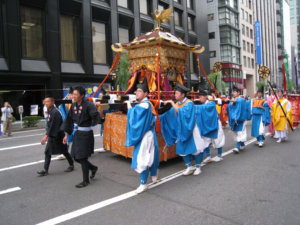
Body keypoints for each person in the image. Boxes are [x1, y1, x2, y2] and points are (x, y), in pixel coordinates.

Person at [160, 83, 205, 176]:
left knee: (196, 149)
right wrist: (162, 117)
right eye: (175, 93)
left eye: (177, 93)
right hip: (181, 130)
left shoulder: (189, 103)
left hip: (190, 129)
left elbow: (182, 113)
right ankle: (189, 166)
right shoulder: (178, 103)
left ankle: (198, 167)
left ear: (183, 95)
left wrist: (171, 103)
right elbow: (172, 113)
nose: (175, 95)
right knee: (181, 149)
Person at [124, 83, 160, 194]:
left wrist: (129, 107)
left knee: (142, 158)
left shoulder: (144, 105)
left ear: (146, 93)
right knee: (149, 156)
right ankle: (153, 174)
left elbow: (135, 116)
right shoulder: (146, 104)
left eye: (139, 91)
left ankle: (143, 184)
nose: (137, 93)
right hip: (148, 134)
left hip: (145, 136)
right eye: (136, 91)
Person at [62, 86, 100, 188]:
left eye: (75, 94)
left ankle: (85, 180)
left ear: (82, 96)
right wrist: (66, 135)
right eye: (73, 94)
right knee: (75, 157)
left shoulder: (88, 105)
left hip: (86, 135)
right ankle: (93, 168)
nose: (73, 96)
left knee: (82, 158)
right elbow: (68, 120)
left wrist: (98, 110)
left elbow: (96, 116)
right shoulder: (73, 105)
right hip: (78, 134)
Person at [37, 97, 74, 176]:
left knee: (64, 151)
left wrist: (46, 136)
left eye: (48, 102)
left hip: (58, 135)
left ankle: (71, 164)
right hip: (53, 135)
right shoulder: (51, 111)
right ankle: (45, 169)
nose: (46, 103)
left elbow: (53, 126)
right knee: (47, 152)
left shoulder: (55, 112)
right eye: (45, 102)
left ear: (52, 102)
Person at [197, 90, 225, 163]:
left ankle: (219, 155)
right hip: (206, 125)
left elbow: (204, 108)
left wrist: (194, 106)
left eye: (201, 97)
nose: (200, 99)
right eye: (199, 97)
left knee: (218, 139)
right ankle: (208, 156)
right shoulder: (203, 105)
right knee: (205, 141)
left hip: (214, 124)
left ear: (206, 97)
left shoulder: (211, 103)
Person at [227, 86, 247, 153]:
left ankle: (237, 147)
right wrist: (231, 103)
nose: (233, 93)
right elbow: (229, 107)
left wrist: (231, 101)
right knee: (235, 132)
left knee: (239, 133)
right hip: (234, 119)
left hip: (240, 119)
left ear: (238, 93)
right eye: (233, 92)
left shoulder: (241, 99)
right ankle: (242, 144)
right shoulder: (233, 99)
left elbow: (238, 101)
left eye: (235, 92)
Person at [58, 87, 75, 159]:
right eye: (69, 94)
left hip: (75, 123)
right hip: (69, 122)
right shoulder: (65, 102)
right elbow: (63, 112)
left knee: (77, 138)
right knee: (67, 137)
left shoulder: (75, 102)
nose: (69, 96)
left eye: (70, 95)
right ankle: (65, 153)